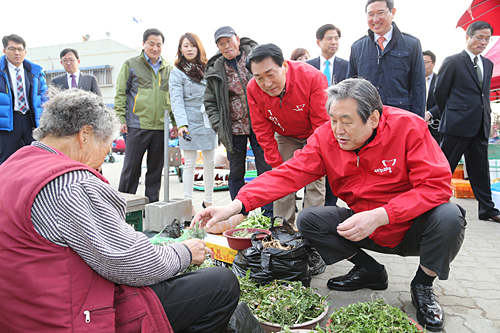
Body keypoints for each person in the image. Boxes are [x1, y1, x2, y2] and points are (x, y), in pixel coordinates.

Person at [195, 78, 466, 332]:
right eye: (333, 120)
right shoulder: (327, 138)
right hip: (364, 227)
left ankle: (422, 286)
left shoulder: (408, 127)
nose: (338, 130)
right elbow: (288, 174)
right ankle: (370, 272)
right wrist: (237, 205)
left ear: (373, 118)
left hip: (411, 228)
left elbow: (436, 186)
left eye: (346, 121)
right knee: (310, 219)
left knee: (450, 216)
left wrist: (381, 215)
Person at [0, 88, 239, 333]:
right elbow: (132, 264)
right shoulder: (73, 183)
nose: (104, 160)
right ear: (85, 134)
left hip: (20, 310)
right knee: (221, 284)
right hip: (62, 318)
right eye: (105, 149)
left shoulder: (14, 163)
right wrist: (185, 253)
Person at [246, 43, 328, 223]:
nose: (267, 84)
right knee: (281, 180)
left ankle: (312, 229)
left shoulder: (311, 77)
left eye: (270, 74)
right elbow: (261, 128)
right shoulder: (253, 89)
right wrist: (275, 163)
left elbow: (321, 124)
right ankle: (284, 230)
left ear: (284, 65)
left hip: (314, 133)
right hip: (284, 135)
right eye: (259, 77)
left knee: (316, 179)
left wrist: (315, 155)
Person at [434, 21, 500, 223]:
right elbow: (439, 93)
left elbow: (483, 96)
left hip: (480, 125)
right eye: (479, 37)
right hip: (456, 124)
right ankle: (433, 203)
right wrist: (453, 114)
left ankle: (488, 209)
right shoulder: (453, 61)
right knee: (445, 166)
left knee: (480, 169)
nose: (483, 42)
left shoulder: (487, 64)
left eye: (487, 39)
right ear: (468, 37)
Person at [204, 26, 273, 218]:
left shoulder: (255, 57)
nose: (227, 46)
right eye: (221, 44)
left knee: (265, 169)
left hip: (260, 124)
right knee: (235, 172)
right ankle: (240, 214)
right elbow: (209, 101)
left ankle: (269, 214)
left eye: (229, 41)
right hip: (233, 128)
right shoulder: (216, 68)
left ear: (238, 39)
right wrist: (218, 125)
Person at [115, 28, 176, 203]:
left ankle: (151, 208)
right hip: (137, 125)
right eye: (151, 43)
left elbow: (173, 98)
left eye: (159, 44)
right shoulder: (131, 64)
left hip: (160, 127)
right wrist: (121, 119)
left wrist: (175, 123)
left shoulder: (169, 69)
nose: (155, 48)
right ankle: (123, 207)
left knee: (156, 172)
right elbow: (121, 93)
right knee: (131, 169)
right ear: (143, 44)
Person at [347, 0, 426, 118]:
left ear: (393, 12)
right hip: (367, 118)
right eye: (370, 14)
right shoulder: (357, 47)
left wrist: (417, 120)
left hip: (400, 116)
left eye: (380, 13)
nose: (375, 19)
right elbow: (350, 86)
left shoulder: (411, 44)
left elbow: (418, 86)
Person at [169, 33, 217, 216]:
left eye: (192, 45)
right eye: (185, 45)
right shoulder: (177, 72)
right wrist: (182, 124)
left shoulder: (208, 68)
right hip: (188, 122)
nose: (189, 49)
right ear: (180, 49)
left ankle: (209, 201)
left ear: (199, 48)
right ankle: (188, 203)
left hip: (207, 120)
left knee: (210, 162)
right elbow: (176, 101)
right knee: (189, 163)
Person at [306, 23, 349, 206]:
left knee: (334, 165)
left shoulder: (347, 66)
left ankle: (330, 206)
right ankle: (310, 206)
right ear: (319, 42)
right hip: (312, 124)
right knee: (313, 166)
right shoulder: (308, 66)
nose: (334, 42)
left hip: (338, 123)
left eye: (336, 38)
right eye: (329, 38)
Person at [0, 34, 48, 164]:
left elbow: (45, 99)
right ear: (4, 51)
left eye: (20, 49)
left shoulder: (36, 73)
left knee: (36, 160)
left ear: (25, 52)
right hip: (6, 124)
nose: (17, 53)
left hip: (31, 122)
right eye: (12, 49)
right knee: (6, 162)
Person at [423, 50, 440, 143]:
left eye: (426, 62)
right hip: (416, 125)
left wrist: (429, 114)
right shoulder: (411, 81)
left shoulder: (441, 80)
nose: (423, 65)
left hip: (436, 126)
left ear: (433, 64)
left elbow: (445, 101)